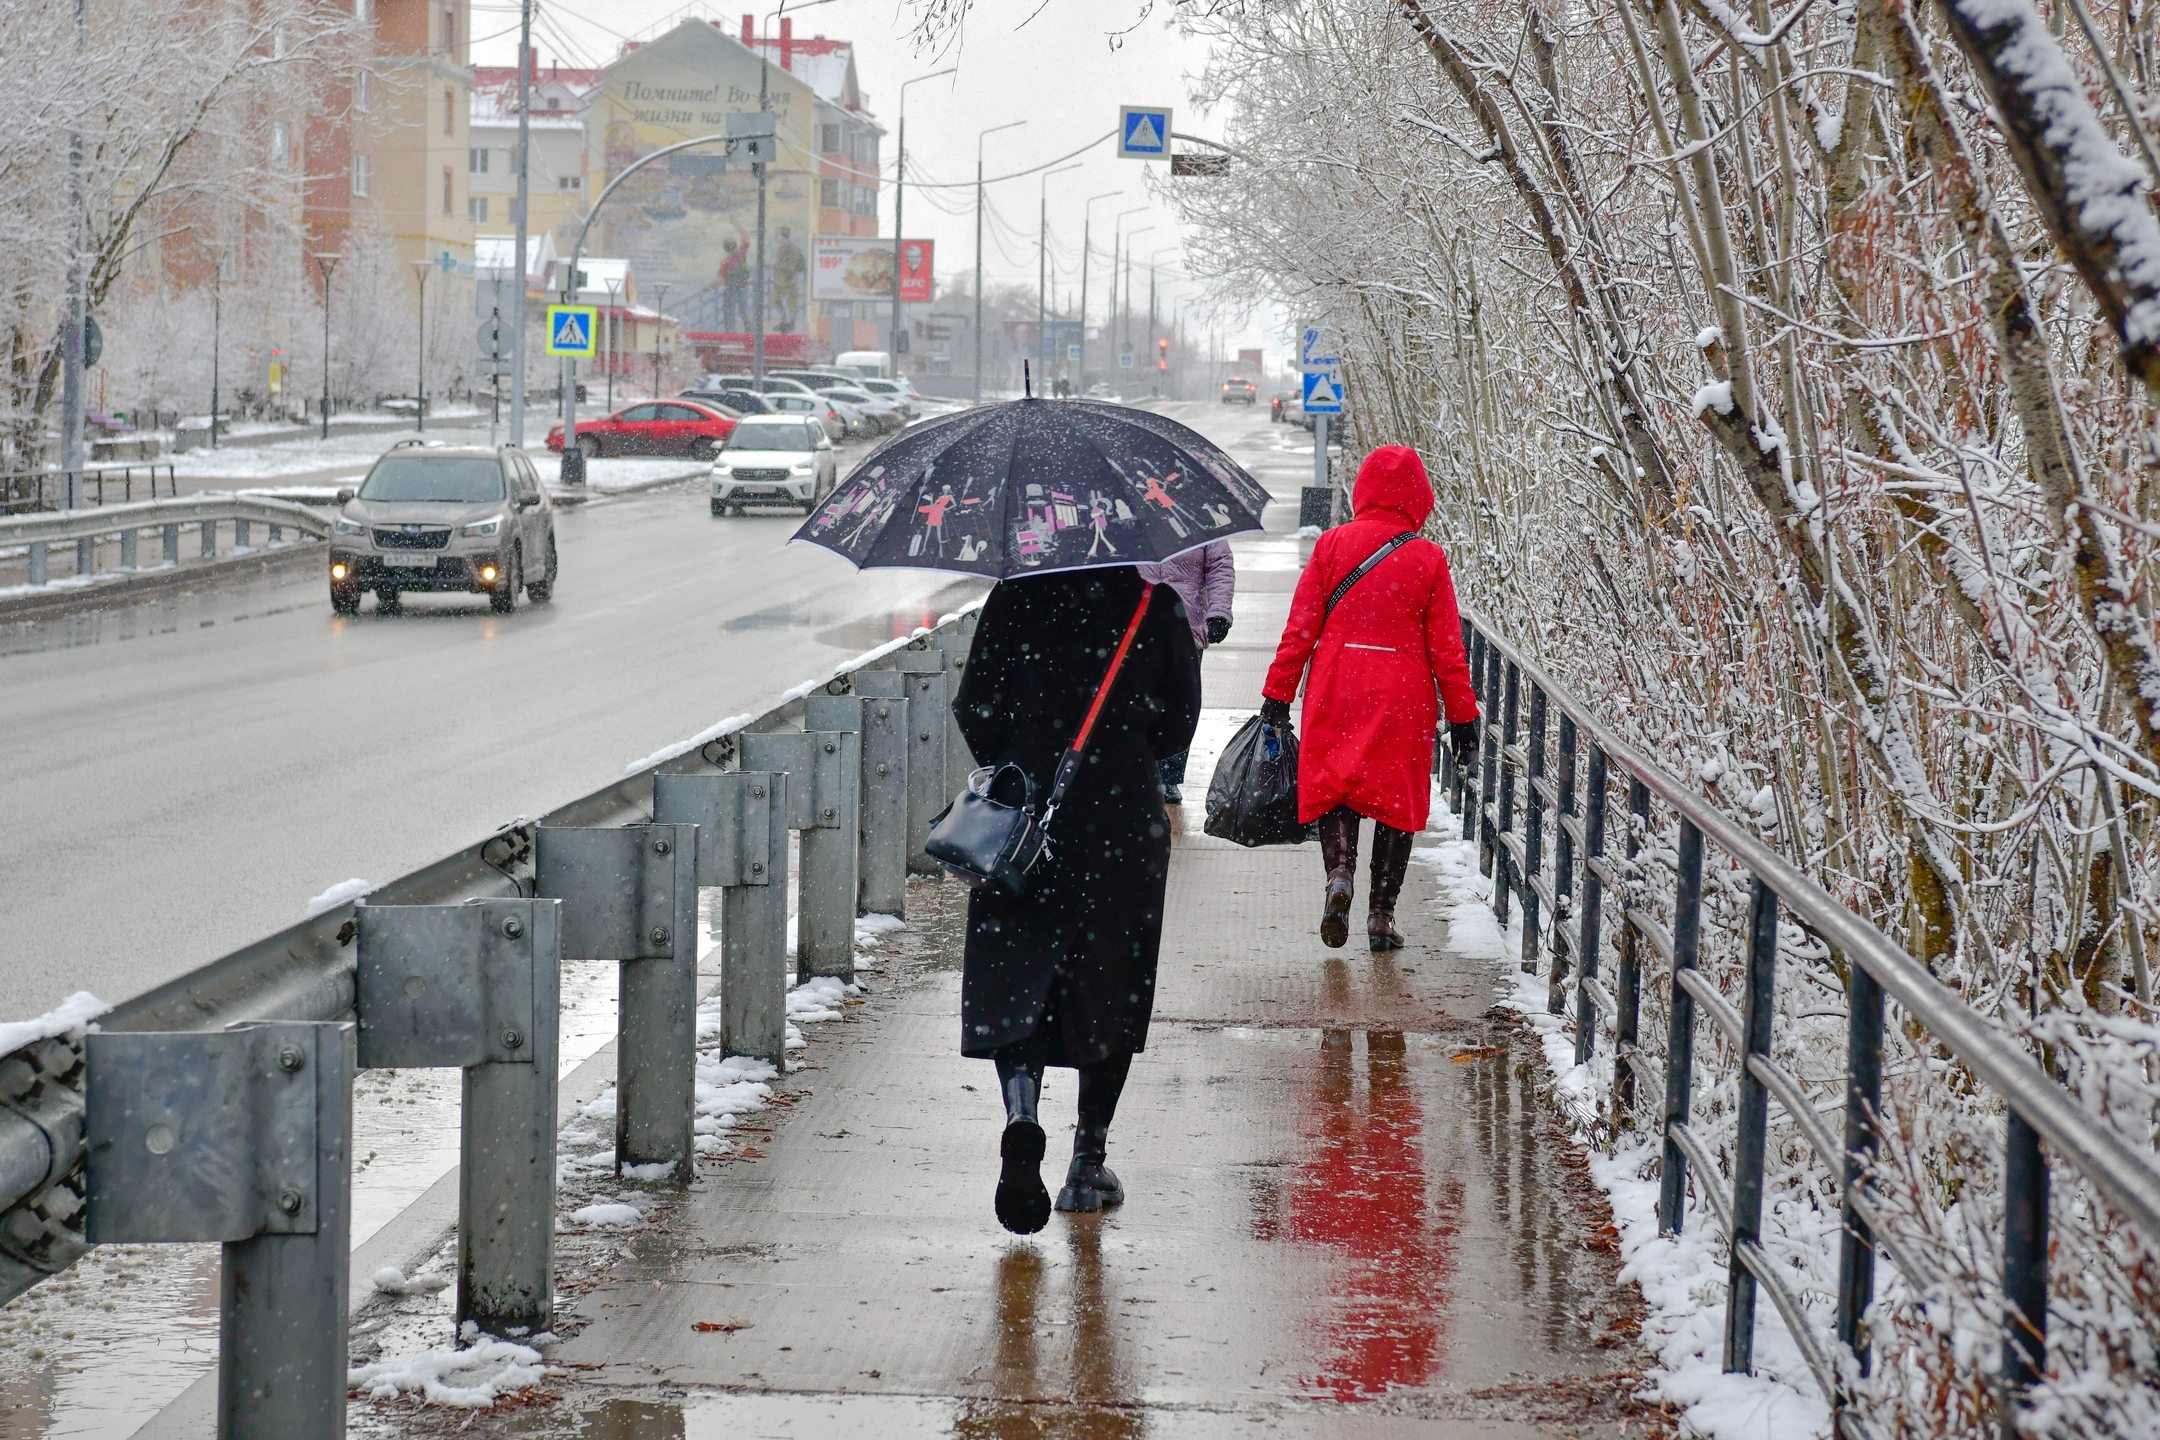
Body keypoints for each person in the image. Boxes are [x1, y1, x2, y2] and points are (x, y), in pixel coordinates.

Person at [953, 567, 1201, 1233]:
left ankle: (1022, 1111)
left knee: (1019, 970)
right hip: (1122, 815)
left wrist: (1024, 759)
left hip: (1026, 816)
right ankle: (1086, 1163)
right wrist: (1120, 753)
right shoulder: (1157, 605)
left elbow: (973, 704)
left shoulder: (1014, 598)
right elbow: (1179, 726)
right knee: (1110, 983)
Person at [1260, 446, 1479, 951]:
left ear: (1363, 490)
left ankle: (1340, 874)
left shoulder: (1332, 545)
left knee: (1336, 786)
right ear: (1418, 497)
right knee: (1395, 800)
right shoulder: (1427, 557)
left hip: (1337, 681)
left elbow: (1301, 629)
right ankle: (1381, 915)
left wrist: (1277, 694)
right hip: (1403, 690)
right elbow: (1448, 650)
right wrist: (1463, 718)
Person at [1136, 538, 1235, 803]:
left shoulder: (1198, 518)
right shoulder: (1128, 513)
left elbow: (1220, 566)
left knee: (1180, 705)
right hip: (1136, 628)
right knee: (1137, 703)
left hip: (1185, 629)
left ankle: (1168, 777)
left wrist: (1219, 613)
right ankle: (1143, 771)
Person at [772, 227, 806, 333]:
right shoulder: (781, 249)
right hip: (779, 281)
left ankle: (791, 324)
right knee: (775, 301)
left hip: (789, 282)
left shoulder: (792, 249)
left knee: (791, 303)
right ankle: (783, 321)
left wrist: (777, 265)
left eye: (778, 236)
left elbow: (792, 265)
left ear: (783, 236)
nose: (777, 238)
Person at [718, 240, 750, 334]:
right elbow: (746, 241)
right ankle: (750, 329)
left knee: (729, 310)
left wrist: (706, 287)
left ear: (726, 249)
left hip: (731, 287)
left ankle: (730, 331)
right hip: (742, 286)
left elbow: (720, 278)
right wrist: (738, 225)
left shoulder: (726, 262)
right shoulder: (741, 254)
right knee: (744, 309)